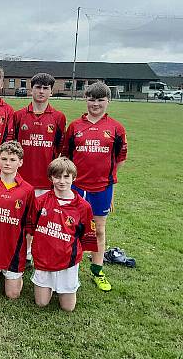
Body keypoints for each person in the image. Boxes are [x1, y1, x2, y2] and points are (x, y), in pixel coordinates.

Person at [62, 81, 127, 292]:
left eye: (100, 100)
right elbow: (66, 157)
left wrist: (110, 184)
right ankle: (67, 267)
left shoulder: (116, 128)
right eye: (91, 99)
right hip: (76, 187)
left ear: (108, 101)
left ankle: (97, 270)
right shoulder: (74, 127)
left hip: (102, 188)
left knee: (98, 229)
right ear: (86, 100)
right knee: (71, 227)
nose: (96, 104)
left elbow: (119, 159)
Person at [12, 72, 66, 266]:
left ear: (51, 91)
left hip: (45, 180)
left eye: (45, 88)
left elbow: (59, 148)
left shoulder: (59, 117)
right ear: (31, 89)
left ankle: (35, 252)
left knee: (41, 220)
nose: (41, 91)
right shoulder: (18, 116)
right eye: (38, 87)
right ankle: (21, 252)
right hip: (21, 179)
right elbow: (13, 146)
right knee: (19, 217)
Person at [31, 157, 95, 312]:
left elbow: (86, 235)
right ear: (50, 178)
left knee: (68, 308)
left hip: (68, 262)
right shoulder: (40, 201)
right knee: (41, 303)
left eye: (66, 176)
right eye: (57, 176)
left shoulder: (83, 207)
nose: (62, 181)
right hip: (44, 260)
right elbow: (30, 228)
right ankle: (49, 285)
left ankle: (63, 285)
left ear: (74, 177)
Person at [0, 141, 37, 299]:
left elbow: (30, 224)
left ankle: (14, 275)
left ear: (20, 162)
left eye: (12, 160)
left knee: (12, 295)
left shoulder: (28, 190)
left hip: (14, 248)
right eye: (4, 159)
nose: (7, 163)